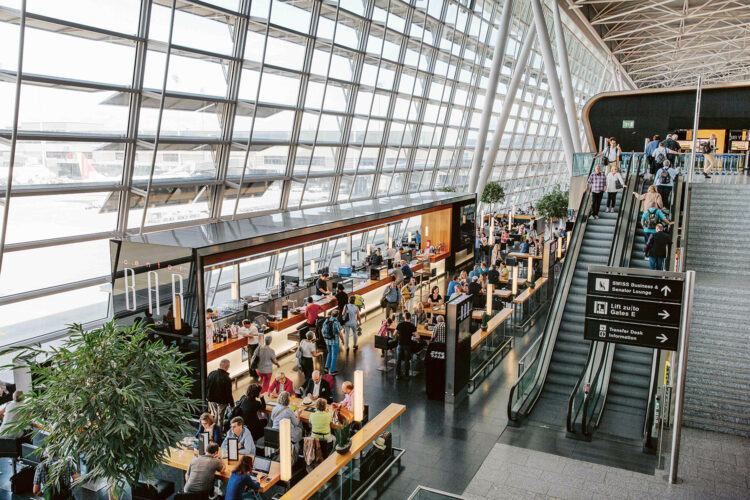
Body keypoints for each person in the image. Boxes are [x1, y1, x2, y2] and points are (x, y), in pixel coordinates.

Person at [206, 359, 234, 425]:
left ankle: (214, 428)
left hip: (212, 399)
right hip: (222, 401)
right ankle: (219, 432)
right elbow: (228, 393)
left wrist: (207, 396)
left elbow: (207, 385)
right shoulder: (227, 379)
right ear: (227, 367)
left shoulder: (212, 374)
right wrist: (232, 405)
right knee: (221, 418)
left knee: (216, 413)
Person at [322, 310, 345, 375]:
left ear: (331, 314)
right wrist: (343, 340)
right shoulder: (336, 322)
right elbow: (340, 333)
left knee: (329, 353)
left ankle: (326, 367)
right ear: (337, 315)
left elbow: (322, 330)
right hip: (334, 341)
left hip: (327, 340)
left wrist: (324, 338)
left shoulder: (326, 320)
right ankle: (332, 371)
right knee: (334, 356)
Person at [396, 312, 417, 379]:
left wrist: (399, 335)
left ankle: (398, 375)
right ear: (410, 318)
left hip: (400, 343)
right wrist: (413, 334)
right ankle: (406, 375)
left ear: (404, 317)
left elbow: (394, 334)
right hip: (407, 344)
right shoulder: (412, 325)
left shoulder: (400, 324)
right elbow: (418, 336)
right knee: (407, 360)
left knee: (398, 360)